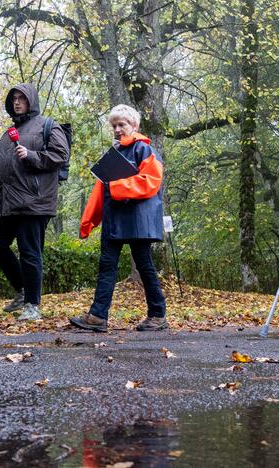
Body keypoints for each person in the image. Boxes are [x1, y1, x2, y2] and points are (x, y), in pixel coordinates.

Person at [70, 104, 167, 333]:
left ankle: (158, 315)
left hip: (136, 220)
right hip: (114, 220)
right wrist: (89, 221)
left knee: (145, 266)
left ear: (134, 125)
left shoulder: (145, 150)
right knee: (106, 266)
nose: (117, 129)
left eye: (121, 124)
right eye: (114, 125)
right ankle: (97, 317)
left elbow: (151, 182)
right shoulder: (113, 155)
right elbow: (100, 191)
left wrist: (117, 186)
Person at [0, 83, 69, 320]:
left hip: (34, 201)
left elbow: (60, 155)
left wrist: (32, 155)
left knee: (30, 252)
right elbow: (1, 167)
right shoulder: (8, 134)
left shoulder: (48, 126)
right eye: (14, 99)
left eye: (22, 98)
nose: (17, 102)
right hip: (6, 201)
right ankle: (21, 289)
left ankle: (32, 305)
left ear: (31, 101)